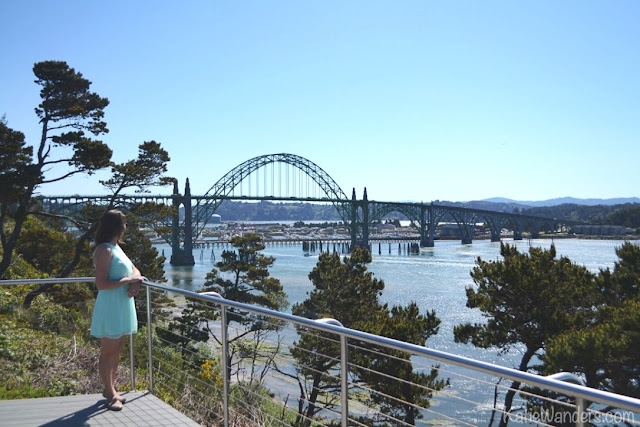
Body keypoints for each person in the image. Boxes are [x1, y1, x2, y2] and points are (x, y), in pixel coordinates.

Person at [90, 210, 144, 411]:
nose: (125, 227)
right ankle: (110, 393)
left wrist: (135, 281)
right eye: (124, 224)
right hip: (111, 305)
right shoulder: (104, 250)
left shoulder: (116, 247)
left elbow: (134, 270)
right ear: (117, 226)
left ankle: (110, 388)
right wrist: (129, 281)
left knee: (118, 349)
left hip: (123, 304)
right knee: (108, 351)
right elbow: (102, 284)